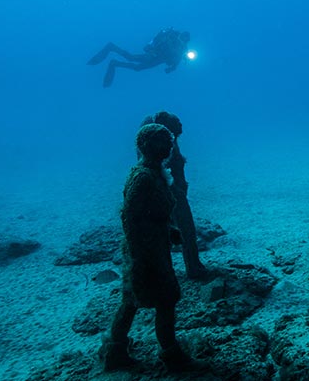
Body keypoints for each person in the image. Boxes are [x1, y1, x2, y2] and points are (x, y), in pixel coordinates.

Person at [101, 123, 202, 372]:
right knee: (165, 299)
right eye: (161, 141)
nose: (168, 146)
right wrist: (140, 256)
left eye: (168, 141)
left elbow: (151, 213)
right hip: (146, 253)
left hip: (153, 248)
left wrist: (169, 232)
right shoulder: (144, 177)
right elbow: (130, 217)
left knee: (131, 300)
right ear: (146, 146)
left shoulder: (155, 173)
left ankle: (115, 350)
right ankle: (171, 354)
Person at [144, 111, 207, 279]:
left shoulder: (171, 143)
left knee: (187, 232)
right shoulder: (161, 146)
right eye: (177, 122)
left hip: (176, 194)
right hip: (172, 196)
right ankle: (188, 269)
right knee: (185, 231)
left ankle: (192, 267)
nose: (181, 125)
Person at [88, 28, 191, 88]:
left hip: (157, 61)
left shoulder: (182, 50)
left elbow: (175, 63)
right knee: (131, 58)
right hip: (152, 54)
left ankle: (115, 63)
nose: (181, 40)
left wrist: (171, 69)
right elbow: (157, 40)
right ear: (180, 35)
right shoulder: (171, 36)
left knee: (137, 68)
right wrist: (151, 48)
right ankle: (111, 47)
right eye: (182, 37)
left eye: (184, 40)